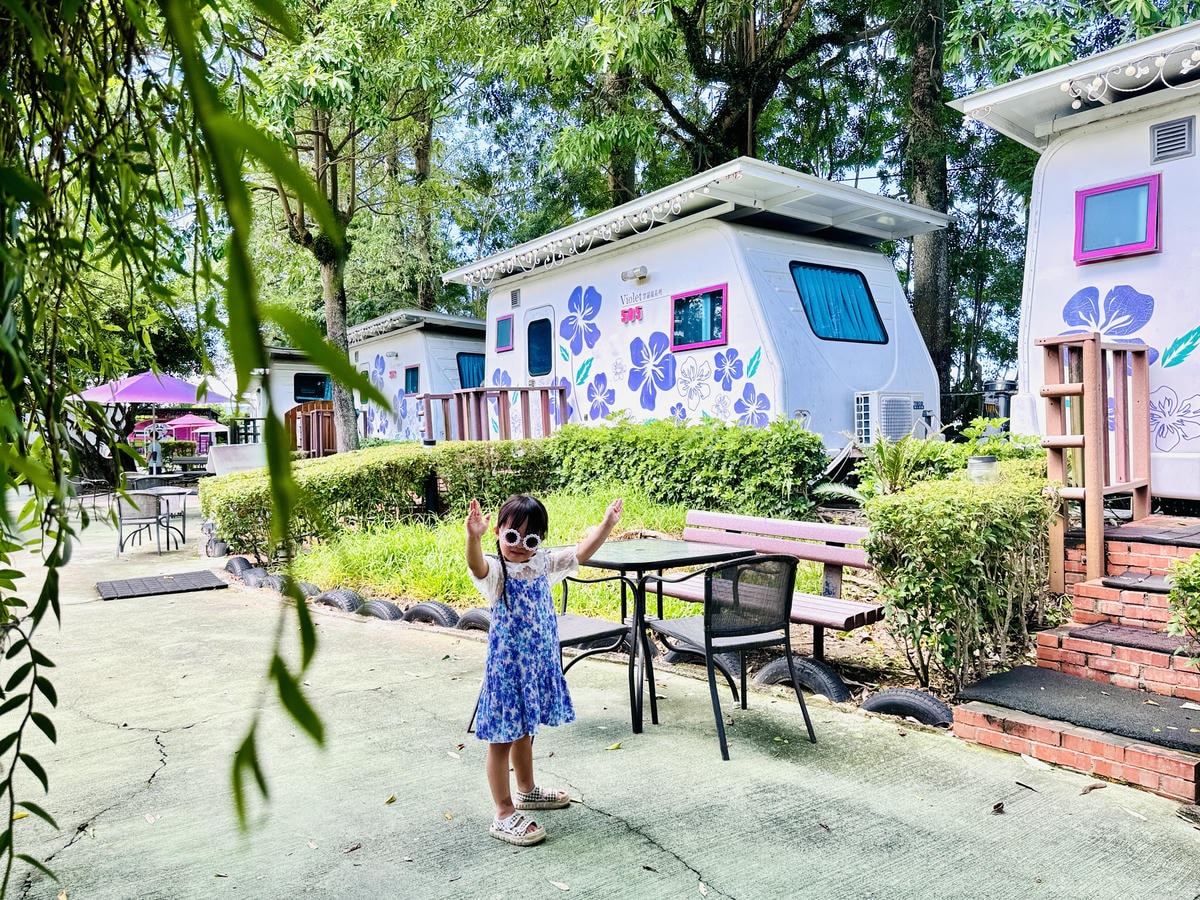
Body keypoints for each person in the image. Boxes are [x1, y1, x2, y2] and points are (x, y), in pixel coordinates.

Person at [465, 493, 623, 846]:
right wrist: (473, 536)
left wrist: (607, 525)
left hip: (535, 667)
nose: (520, 546)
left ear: (540, 542)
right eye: (511, 537)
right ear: (498, 534)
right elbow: (477, 567)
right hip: (507, 673)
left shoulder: (542, 564)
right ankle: (504, 812)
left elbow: (580, 552)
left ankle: (527, 790)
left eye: (530, 539)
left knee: (525, 731)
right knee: (502, 740)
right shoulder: (497, 571)